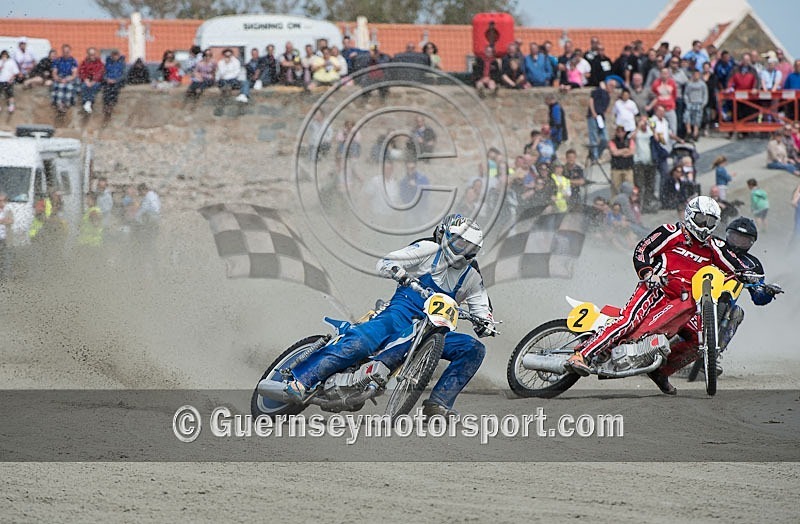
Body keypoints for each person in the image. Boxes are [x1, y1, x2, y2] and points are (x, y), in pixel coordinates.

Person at [265, 215, 494, 417]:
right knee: (359, 343)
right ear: (445, 235)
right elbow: (386, 262)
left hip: (434, 332)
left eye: (470, 247)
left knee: (474, 348)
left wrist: (486, 324)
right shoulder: (427, 249)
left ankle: (438, 404)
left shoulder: (472, 276)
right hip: (397, 316)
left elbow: (482, 307)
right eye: (460, 242)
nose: (463, 251)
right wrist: (400, 273)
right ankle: (301, 381)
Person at [564, 196, 752, 394]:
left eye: (711, 222)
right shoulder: (671, 232)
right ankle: (581, 355)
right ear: (689, 215)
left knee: (700, 341)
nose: (705, 226)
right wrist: (648, 273)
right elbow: (642, 249)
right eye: (701, 219)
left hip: (684, 301)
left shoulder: (713, 246)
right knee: (629, 321)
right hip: (655, 289)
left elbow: (736, 265)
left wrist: (757, 282)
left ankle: (662, 372)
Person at [661, 217, 780, 378]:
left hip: (726, 303)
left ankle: (713, 356)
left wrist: (768, 292)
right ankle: (657, 344)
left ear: (751, 242)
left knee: (738, 312)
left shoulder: (753, 264)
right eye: (735, 237)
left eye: (743, 240)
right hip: (694, 294)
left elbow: (758, 298)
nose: (737, 243)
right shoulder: (714, 246)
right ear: (727, 234)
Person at [608, 126, 635, 197]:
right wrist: (625, 150)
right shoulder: (612, 141)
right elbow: (614, 152)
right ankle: (614, 205)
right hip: (616, 169)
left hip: (628, 168)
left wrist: (620, 152)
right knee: (615, 190)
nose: (620, 133)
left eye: (622, 131)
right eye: (618, 132)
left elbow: (632, 151)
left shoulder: (630, 141)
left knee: (629, 188)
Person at [51, 44, 79, 113]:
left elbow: (74, 74)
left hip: (69, 78)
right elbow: (54, 72)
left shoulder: (73, 61)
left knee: (69, 87)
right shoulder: (58, 60)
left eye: (67, 52)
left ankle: (67, 104)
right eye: (64, 52)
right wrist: (58, 79)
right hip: (60, 77)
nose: (66, 53)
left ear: (69, 52)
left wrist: (67, 79)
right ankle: (59, 105)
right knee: (60, 86)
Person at [78, 47, 105, 114]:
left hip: (96, 81)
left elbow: (100, 72)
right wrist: (86, 79)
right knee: (84, 86)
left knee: (94, 87)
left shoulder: (99, 62)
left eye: (93, 54)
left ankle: (89, 102)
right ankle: (85, 103)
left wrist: (94, 80)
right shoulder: (84, 62)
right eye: (90, 54)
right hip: (87, 80)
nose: (92, 56)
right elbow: (81, 71)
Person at [0, 192, 14, 282]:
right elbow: (7, 221)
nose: (1, 202)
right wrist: (3, 221)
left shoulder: (8, 210)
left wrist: (3, 221)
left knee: (6, 258)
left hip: (6, 238)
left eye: (3, 200)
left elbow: (10, 221)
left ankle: (6, 278)